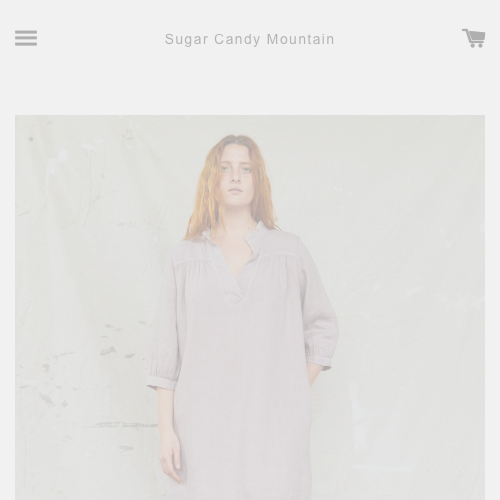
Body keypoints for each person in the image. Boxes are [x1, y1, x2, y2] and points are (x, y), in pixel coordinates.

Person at [146, 134, 340, 500]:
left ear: (258, 179)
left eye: (246, 168)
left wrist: (293, 387)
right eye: (225, 168)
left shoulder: (288, 252)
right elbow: (165, 353)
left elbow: (323, 326)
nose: (235, 176)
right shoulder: (184, 258)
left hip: (275, 428)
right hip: (200, 429)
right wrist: (165, 430)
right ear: (212, 178)